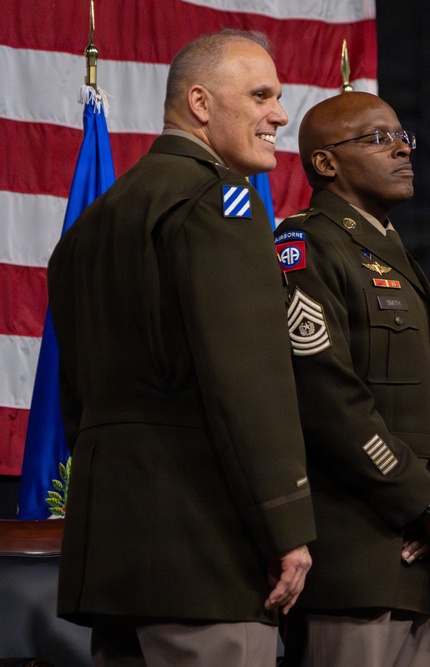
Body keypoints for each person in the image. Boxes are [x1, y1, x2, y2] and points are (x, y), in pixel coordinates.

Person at [47, 30, 316, 666]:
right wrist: (287, 527)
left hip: (113, 553)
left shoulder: (89, 226)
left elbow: (77, 398)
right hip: (207, 554)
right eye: (259, 96)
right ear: (199, 103)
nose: (279, 114)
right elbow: (248, 382)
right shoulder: (220, 205)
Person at [274, 91, 430, 667]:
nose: (403, 149)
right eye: (377, 138)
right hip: (353, 555)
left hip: (416, 548)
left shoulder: (392, 252)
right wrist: (426, 498)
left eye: (402, 135)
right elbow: (328, 399)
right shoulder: (306, 244)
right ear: (325, 163)